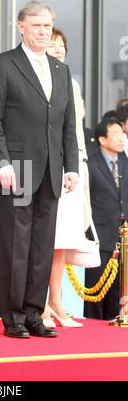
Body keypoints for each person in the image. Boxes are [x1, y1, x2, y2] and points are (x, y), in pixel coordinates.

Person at [0, 1, 78, 339]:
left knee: (41, 246)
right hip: (16, 169)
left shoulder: (60, 70)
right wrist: (2, 163)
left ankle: (35, 313)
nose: (43, 31)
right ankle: (13, 317)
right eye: (36, 25)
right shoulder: (2, 65)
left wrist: (71, 166)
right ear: (20, 26)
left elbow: (67, 125)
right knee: (15, 246)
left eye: (47, 26)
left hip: (52, 171)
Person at [41, 27, 88, 328]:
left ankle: (57, 301)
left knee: (61, 241)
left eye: (62, 45)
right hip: (48, 166)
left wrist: (80, 165)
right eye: (53, 44)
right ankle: (41, 304)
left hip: (73, 165)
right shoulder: (41, 80)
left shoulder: (71, 82)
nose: (58, 49)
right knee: (44, 239)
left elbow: (76, 132)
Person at [84, 119, 128, 320]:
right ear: (102, 139)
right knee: (95, 291)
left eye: (122, 133)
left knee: (119, 291)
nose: (121, 138)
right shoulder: (91, 165)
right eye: (116, 134)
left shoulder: (126, 162)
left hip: (123, 237)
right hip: (100, 236)